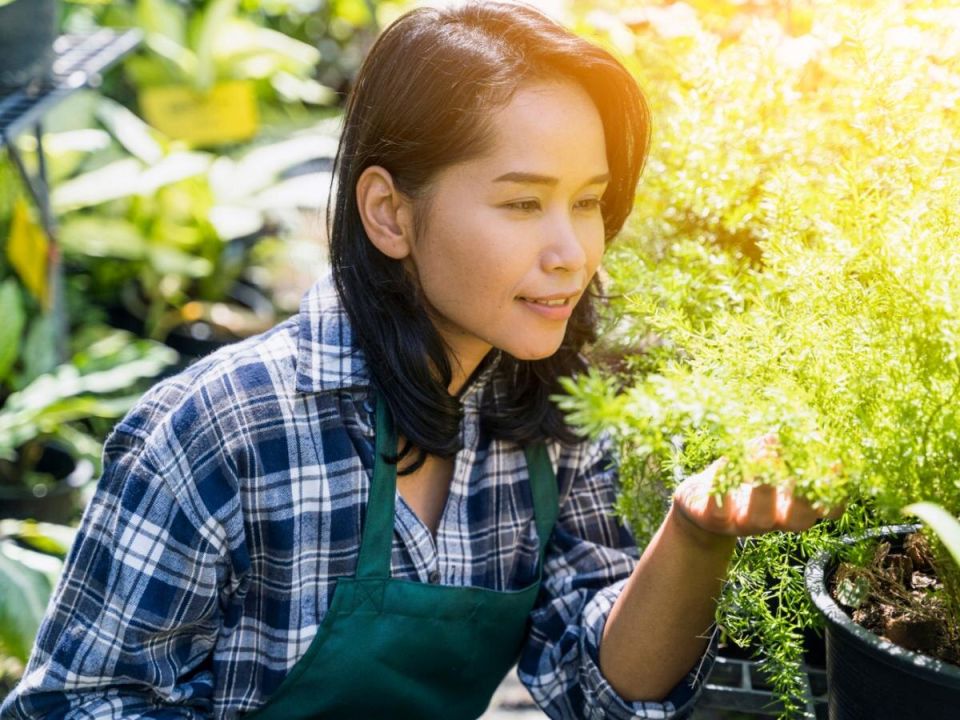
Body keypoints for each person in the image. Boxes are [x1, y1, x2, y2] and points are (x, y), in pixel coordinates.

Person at [1, 3, 833, 719]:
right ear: (389, 215)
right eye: (522, 203)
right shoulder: (226, 429)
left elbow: (597, 691)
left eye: (587, 203)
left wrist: (695, 531)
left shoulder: (545, 417)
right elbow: (77, 700)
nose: (572, 252)